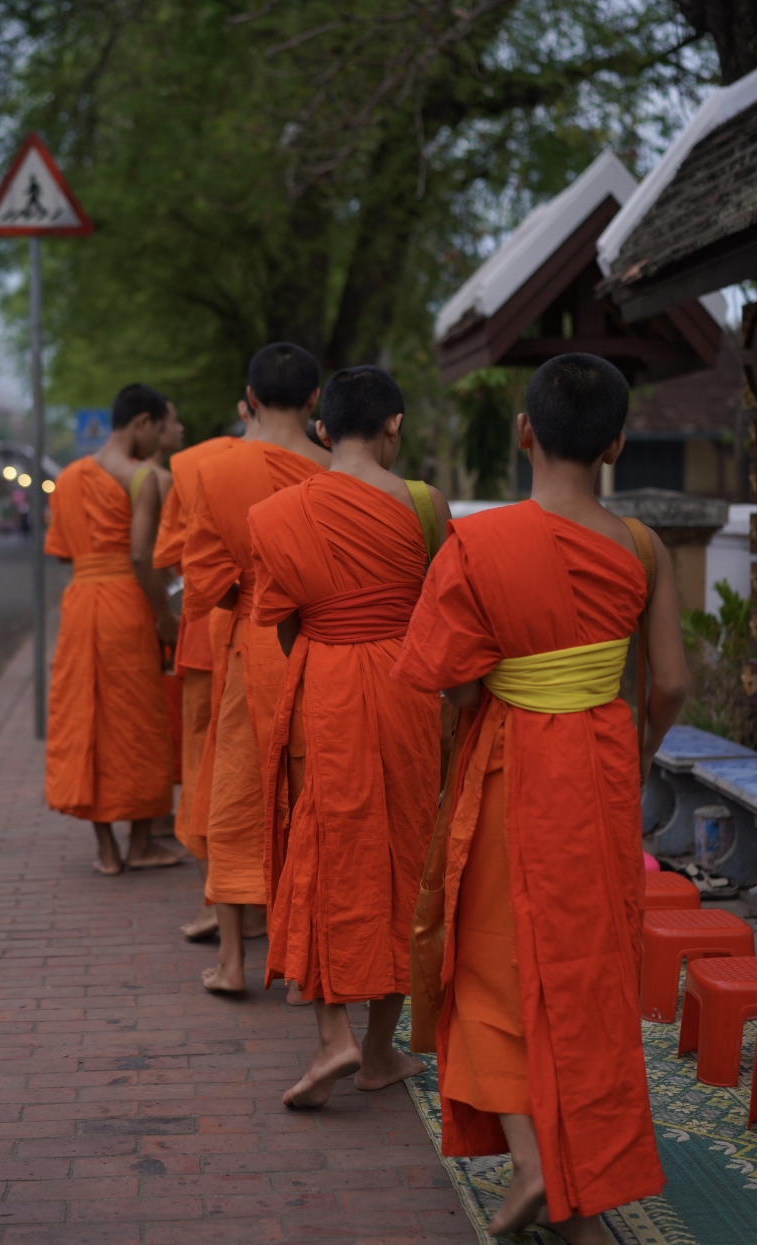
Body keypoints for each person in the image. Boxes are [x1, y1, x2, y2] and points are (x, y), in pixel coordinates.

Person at [392, 354, 690, 1244]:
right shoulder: (642, 547)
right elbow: (670, 682)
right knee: (586, 972)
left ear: (525, 431)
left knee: (491, 965)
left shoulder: (477, 544)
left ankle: (529, 1161)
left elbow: (441, 678)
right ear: (617, 442)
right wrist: (633, 751)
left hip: (506, 765)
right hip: (597, 767)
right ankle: (579, 1195)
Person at [248, 365, 449, 1107]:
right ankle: (375, 1052)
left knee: (323, 851)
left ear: (323, 427)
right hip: (407, 690)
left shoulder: (279, 513)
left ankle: (331, 1032)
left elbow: (284, 622)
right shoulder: (426, 504)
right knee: (406, 853)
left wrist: (329, 653)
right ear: (394, 424)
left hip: (324, 686)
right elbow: (442, 611)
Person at [182, 344, 330, 993]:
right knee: (312, 796)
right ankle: (306, 969)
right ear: (315, 399)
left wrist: (250, 596)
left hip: (251, 639)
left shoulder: (216, 469)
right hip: (318, 647)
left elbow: (205, 579)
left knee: (239, 791)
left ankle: (235, 963)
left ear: (249, 394)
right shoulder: (334, 471)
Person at [45, 383, 182, 875]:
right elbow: (143, 555)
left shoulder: (67, 476)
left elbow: (62, 550)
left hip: (81, 604)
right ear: (142, 423)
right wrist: (164, 616)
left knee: (85, 715)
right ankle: (142, 844)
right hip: (127, 603)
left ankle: (107, 852)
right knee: (140, 719)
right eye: (158, 426)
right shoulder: (142, 476)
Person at [152, 397, 259, 940]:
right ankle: (261, 907)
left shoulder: (198, 465)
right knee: (258, 764)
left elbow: (173, 550)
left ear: (246, 404)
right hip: (270, 630)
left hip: (211, 620)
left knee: (206, 768)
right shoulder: (316, 461)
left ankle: (216, 903)